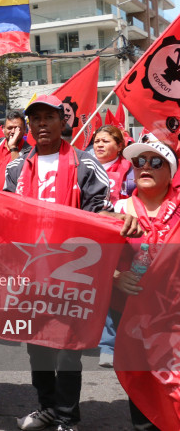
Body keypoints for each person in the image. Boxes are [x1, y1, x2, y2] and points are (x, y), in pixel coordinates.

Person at [0, 95, 135, 431]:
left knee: (67, 350)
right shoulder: (15, 167)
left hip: (72, 272)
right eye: (35, 118)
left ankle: (68, 418)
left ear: (63, 122)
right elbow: (4, 214)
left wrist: (109, 216)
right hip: (30, 273)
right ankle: (46, 407)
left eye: (48, 117)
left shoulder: (85, 164)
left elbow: (100, 211)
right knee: (37, 347)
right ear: (28, 125)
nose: (41, 124)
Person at [111, 134, 178, 430]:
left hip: (175, 324)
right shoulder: (117, 211)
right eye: (139, 161)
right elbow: (90, 260)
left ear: (171, 171)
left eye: (155, 161)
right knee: (144, 399)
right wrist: (116, 277)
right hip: (133, 323)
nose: (145, 167)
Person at [92, 124, 135, 367]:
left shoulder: (131, 172)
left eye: (106, 141)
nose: (99, 144)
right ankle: (106, 344)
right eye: (96, 140)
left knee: (124, 284)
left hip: (125, 237)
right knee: (102, 283)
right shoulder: (85, 168)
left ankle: (127, 341)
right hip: (95, 236)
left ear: (119, 146)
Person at [0, 111, 31, 190]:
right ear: (3, 129)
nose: (13, 132)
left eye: (17, 128)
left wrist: (13, 147)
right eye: (9, 128)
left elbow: (21, 175)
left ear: (25, 129)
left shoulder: (30, 152)